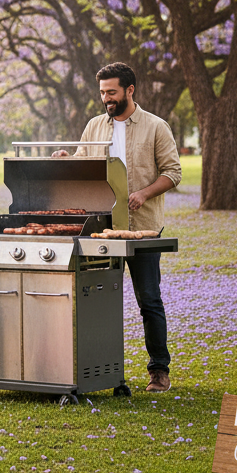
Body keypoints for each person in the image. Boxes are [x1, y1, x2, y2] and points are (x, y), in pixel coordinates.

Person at [53, 61, 182, 393]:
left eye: (111, 92)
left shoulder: (156, 127)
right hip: (100, 228)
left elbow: (173, 172)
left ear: (130, 90)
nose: (106, 99)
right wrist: (69, 159)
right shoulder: (95, 125)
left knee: (149, 299)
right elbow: (86, 164)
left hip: (143, 229)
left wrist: (143, 193)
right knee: (95, 300)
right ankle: (96, 370)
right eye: (102, 93)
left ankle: (158, 371)